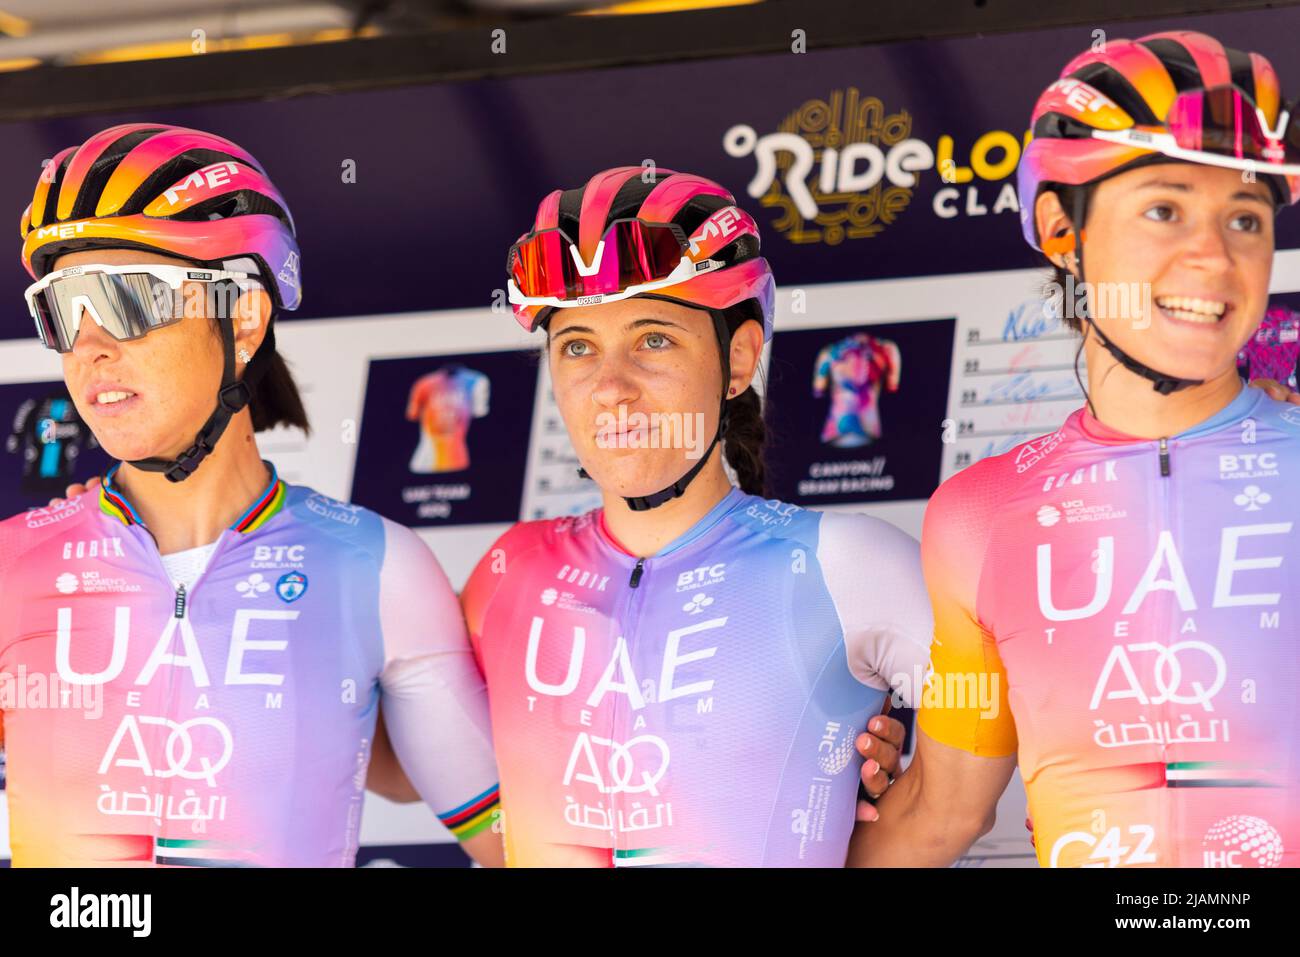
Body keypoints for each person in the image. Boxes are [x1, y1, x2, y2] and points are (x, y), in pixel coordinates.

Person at [851, 30, 1300, 868]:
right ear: (1063, 228)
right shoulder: (979, 516)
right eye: (1164, 209)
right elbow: (941, 810)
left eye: (1247, 217)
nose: (1214, 256)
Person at [0, 123, 501, 866]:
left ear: (242, 314)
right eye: (62, 306)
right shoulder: (13, 563)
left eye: (130, 299)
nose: (91, 344)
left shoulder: (377, 567)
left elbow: (518, 845)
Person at [432, 166, 929, 867]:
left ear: (739, 358)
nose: (610, 387)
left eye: (654, 339)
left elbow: (975, 790)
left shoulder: (849, 563)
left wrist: (874, 823)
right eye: (577, 346)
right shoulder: (510, 571)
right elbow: (394, 745)